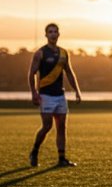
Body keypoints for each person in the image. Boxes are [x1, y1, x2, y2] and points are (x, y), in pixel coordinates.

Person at [28, 23, 82, 168]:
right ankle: (34, 151)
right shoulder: (40, 53)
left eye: (55, 32)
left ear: (59, 34)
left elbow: (69, 72)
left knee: (62, 127)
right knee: (47, 126)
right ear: (46, 35)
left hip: (60, 96)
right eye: (50, 32)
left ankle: (61, 159)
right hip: (45, 96)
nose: (53, 34)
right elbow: (31, 74)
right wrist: (34, 93)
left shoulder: (64, 53)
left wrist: (77, 90)